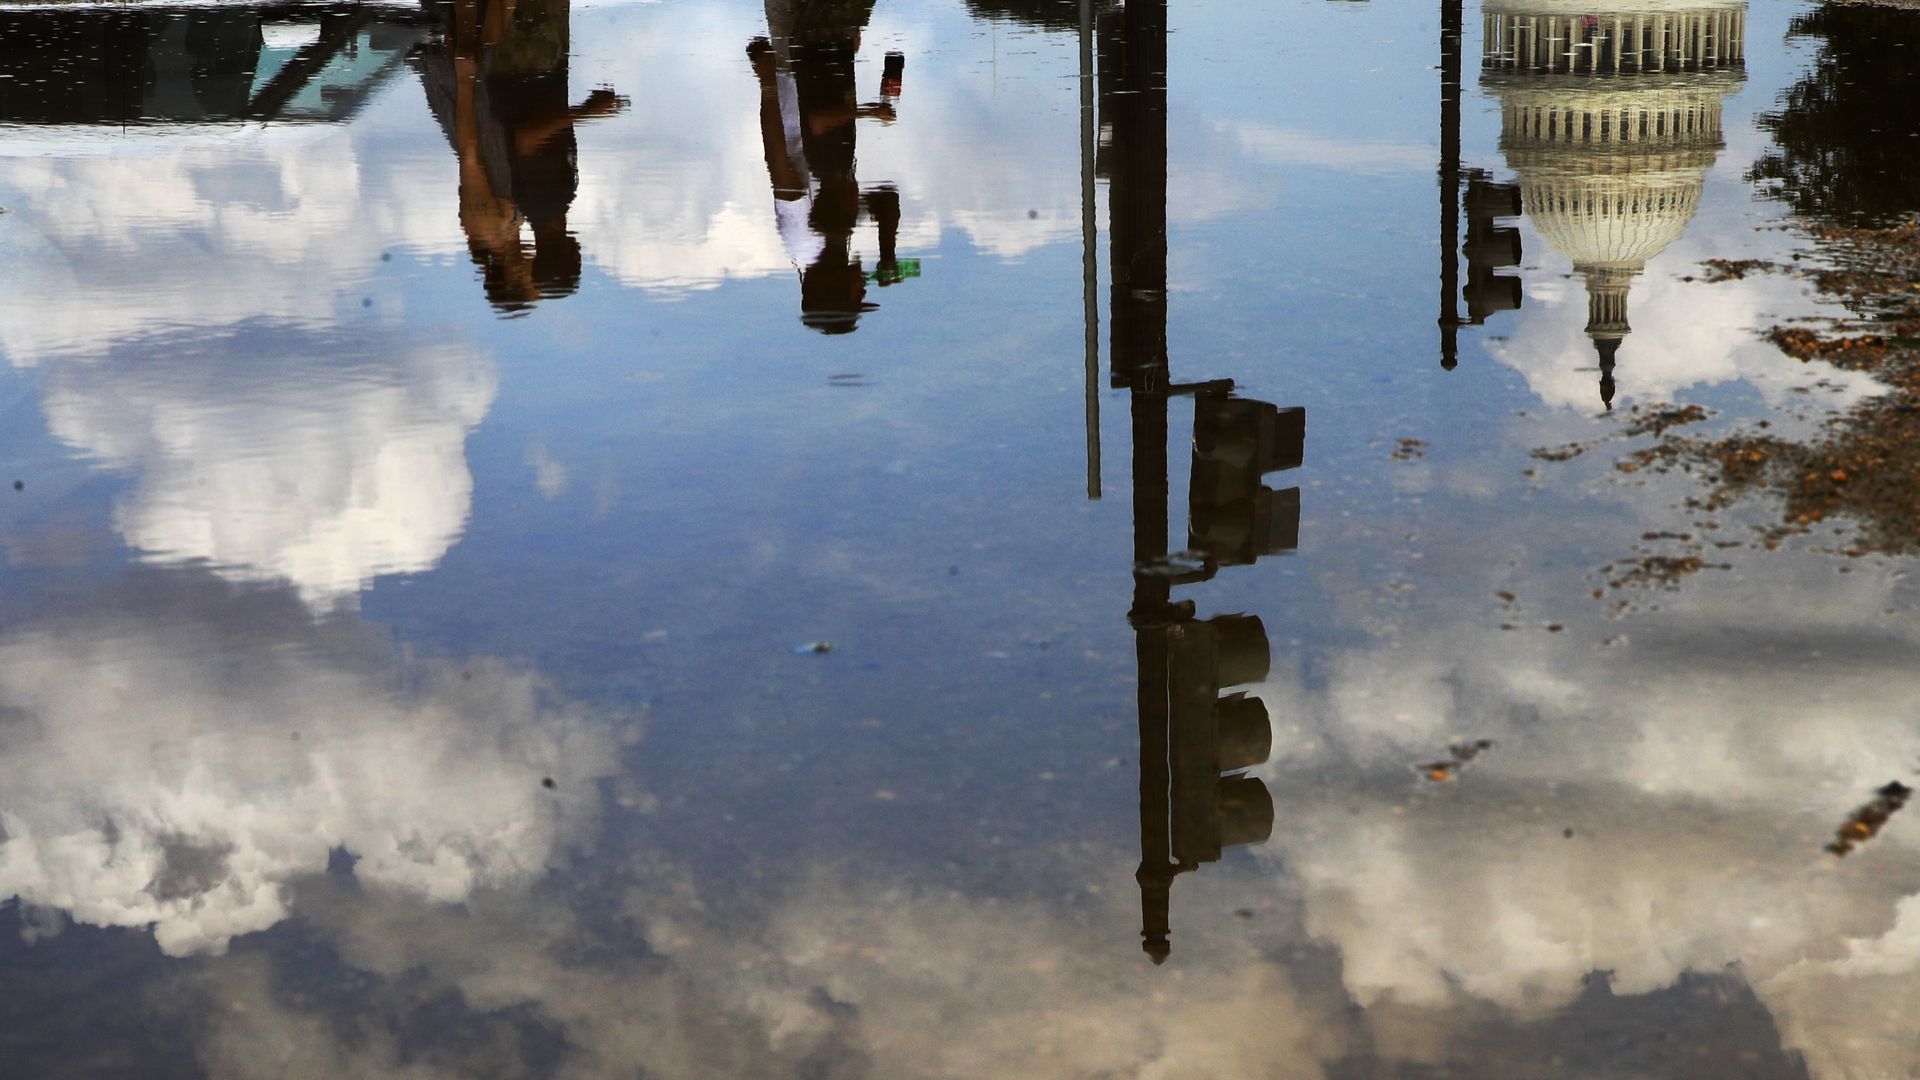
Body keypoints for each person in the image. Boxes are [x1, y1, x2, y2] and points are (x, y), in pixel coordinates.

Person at [417, 0, 623, 312]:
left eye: (532, 285)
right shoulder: (518, 219)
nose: (535, 278)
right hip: (502, 94)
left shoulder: (490, 225)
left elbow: (470, 155)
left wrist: (465, 78)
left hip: (492, 91)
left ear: (515, 278)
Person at [749, 0, 906, 334]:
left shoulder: (803, 240)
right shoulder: (837, 233)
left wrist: (767, 84)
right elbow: (885, 199)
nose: (864, 288)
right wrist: (887, 253)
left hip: (793, 77)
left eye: (856, 295)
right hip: (820, 70)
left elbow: (778, 164)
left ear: (833, 287)